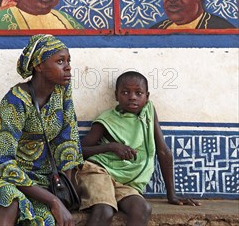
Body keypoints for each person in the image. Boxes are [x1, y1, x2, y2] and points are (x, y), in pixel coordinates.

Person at [0, 34, 83, 226]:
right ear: (38, 65)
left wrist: (65, 190)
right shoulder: (14, 101)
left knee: (45, 221)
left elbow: (68, 140)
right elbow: (3, 162)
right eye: (60, 61)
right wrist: (53, 200)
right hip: (0, 175)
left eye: (68, 61)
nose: (68, 67)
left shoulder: (62, 90)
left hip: (40, 178)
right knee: (10, 199)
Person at [77, 71, 199, 226]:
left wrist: (171, 194)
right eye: (125, 92)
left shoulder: (148, 113)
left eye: (138, 93)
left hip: (127, 183)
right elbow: (79, 151)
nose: (132, 97)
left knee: (142, 209)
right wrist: (111, 147)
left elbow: (163, 151)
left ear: (147, 96)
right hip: (99, 173)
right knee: (105, 210)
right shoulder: (106, 120)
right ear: (116, 95)